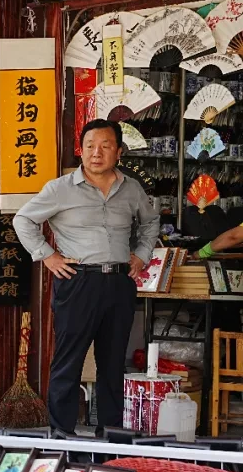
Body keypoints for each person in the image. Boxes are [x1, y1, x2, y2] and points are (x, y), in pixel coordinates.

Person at [14, 119, 159, 434]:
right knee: (69, 361)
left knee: (112, 364)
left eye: (106, 146)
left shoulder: (131, 188)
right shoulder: (59, 189)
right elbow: (23, 220)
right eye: (90, 146)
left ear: (118, 152)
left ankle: (110, 436)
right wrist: (47, 256)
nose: (97, 153)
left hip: (119, 283)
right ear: (80, 150)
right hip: (78, 282)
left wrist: (141, 254)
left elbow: (150, 223)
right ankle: (62, 435)